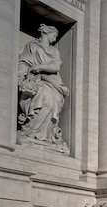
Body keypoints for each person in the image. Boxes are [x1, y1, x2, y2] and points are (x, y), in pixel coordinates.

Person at [17, 24, 70, 152]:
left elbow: (56, 67)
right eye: (54, 35)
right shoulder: (31, 46)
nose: (55, 39)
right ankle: (32, 131)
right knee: (42, 95)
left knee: (52, 102)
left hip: (52, 82)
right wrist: (23, 76)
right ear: (46, 32)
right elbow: (23, 62)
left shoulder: (54, 51)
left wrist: (38, 67)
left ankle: (45, 135)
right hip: (36, 81)